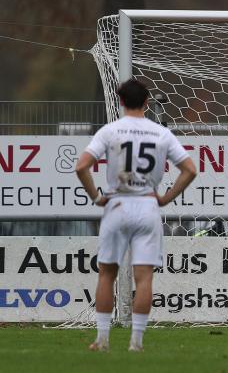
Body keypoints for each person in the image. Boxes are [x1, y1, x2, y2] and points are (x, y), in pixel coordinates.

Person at [75, 78, 197, 352]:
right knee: (144, 278)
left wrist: (96, 197)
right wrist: (165, 197)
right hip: (147, 206)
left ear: (120, 101)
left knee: (106, 274)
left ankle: (103, 340)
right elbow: (190, 169)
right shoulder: (160, 133)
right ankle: (136, 343)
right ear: (146, 102)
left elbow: (82, 166)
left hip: (117, 204)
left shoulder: (111, 131)